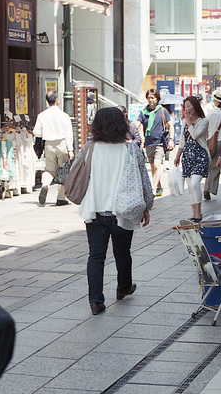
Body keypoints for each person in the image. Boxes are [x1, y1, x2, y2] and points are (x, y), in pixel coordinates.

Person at [77, 107, 154, 315]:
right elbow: (144, 179)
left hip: (94, 209)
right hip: (122, 210)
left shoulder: (89, 148)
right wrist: (147, 205)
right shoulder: (131, 149)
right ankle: (123, 287)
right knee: (122, 251)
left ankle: (95, 301)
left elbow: (76, 171)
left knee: (96, 256)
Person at [33, 91, 74, 206]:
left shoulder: (41, 115)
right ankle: (61, 198)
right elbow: (68, 134)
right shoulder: (64, 116)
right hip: (62, 144)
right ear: (57, 100)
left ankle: (45, 185)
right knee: (64, 170)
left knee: (49, 169)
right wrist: (70, 149)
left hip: (49, 144)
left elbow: (37, 132)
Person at [174, 95, 209, 222]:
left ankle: (198, 213)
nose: (186, 108)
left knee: (195, 184)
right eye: (185, 106)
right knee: (190, 186)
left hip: (200, 155)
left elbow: (195, 135)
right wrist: (178, 156)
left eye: (189, 105)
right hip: (187, 156)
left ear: (195, 106)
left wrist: (188, 121)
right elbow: (182, 141)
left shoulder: (203, 121)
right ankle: (194, 213)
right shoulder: (184, 122)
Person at [138, 89, 174, 197]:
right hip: (148, 143)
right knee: (153, 167)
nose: (150, 100)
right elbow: (138, 123)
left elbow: (170, 125)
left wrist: (171, 139)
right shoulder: (143, 112)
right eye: (149, 97)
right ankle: (159, 187)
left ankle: (153, 189)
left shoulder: (162, 111)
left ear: (157, 99)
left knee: (158, 165)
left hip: (159, 142)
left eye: (152, 98)